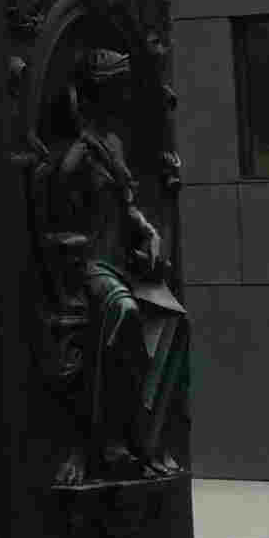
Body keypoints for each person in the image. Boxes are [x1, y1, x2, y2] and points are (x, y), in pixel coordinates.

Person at [32, 44, 190, 483]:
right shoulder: (78, 155)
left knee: (173, 321)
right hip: (89, 268)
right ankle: (100, 440)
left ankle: (146, 439)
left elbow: (128, 207)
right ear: (98, 94)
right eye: (117, 88)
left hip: (121, 263)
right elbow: (56, 224)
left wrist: (148, 232)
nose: (124, 96)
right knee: (124, 312)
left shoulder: (114, 143)